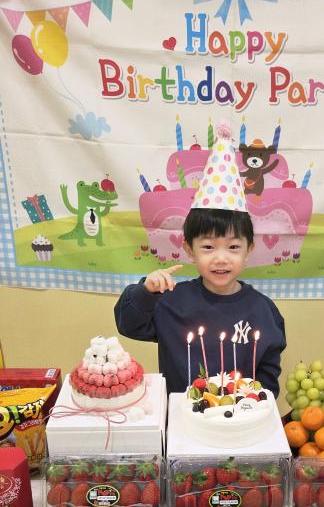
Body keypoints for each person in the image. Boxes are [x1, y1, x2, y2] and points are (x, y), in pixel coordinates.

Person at [114, 121, 286, 396]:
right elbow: (129, 325)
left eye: (233, 247)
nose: (221, 258)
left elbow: (268, 369)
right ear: (189, 250)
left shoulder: (263, 310)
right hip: (180, 415)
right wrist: (145, 292)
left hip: (241, 415)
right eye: (208, 247)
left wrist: (260, 399)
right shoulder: (172, 301)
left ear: (249, 249)